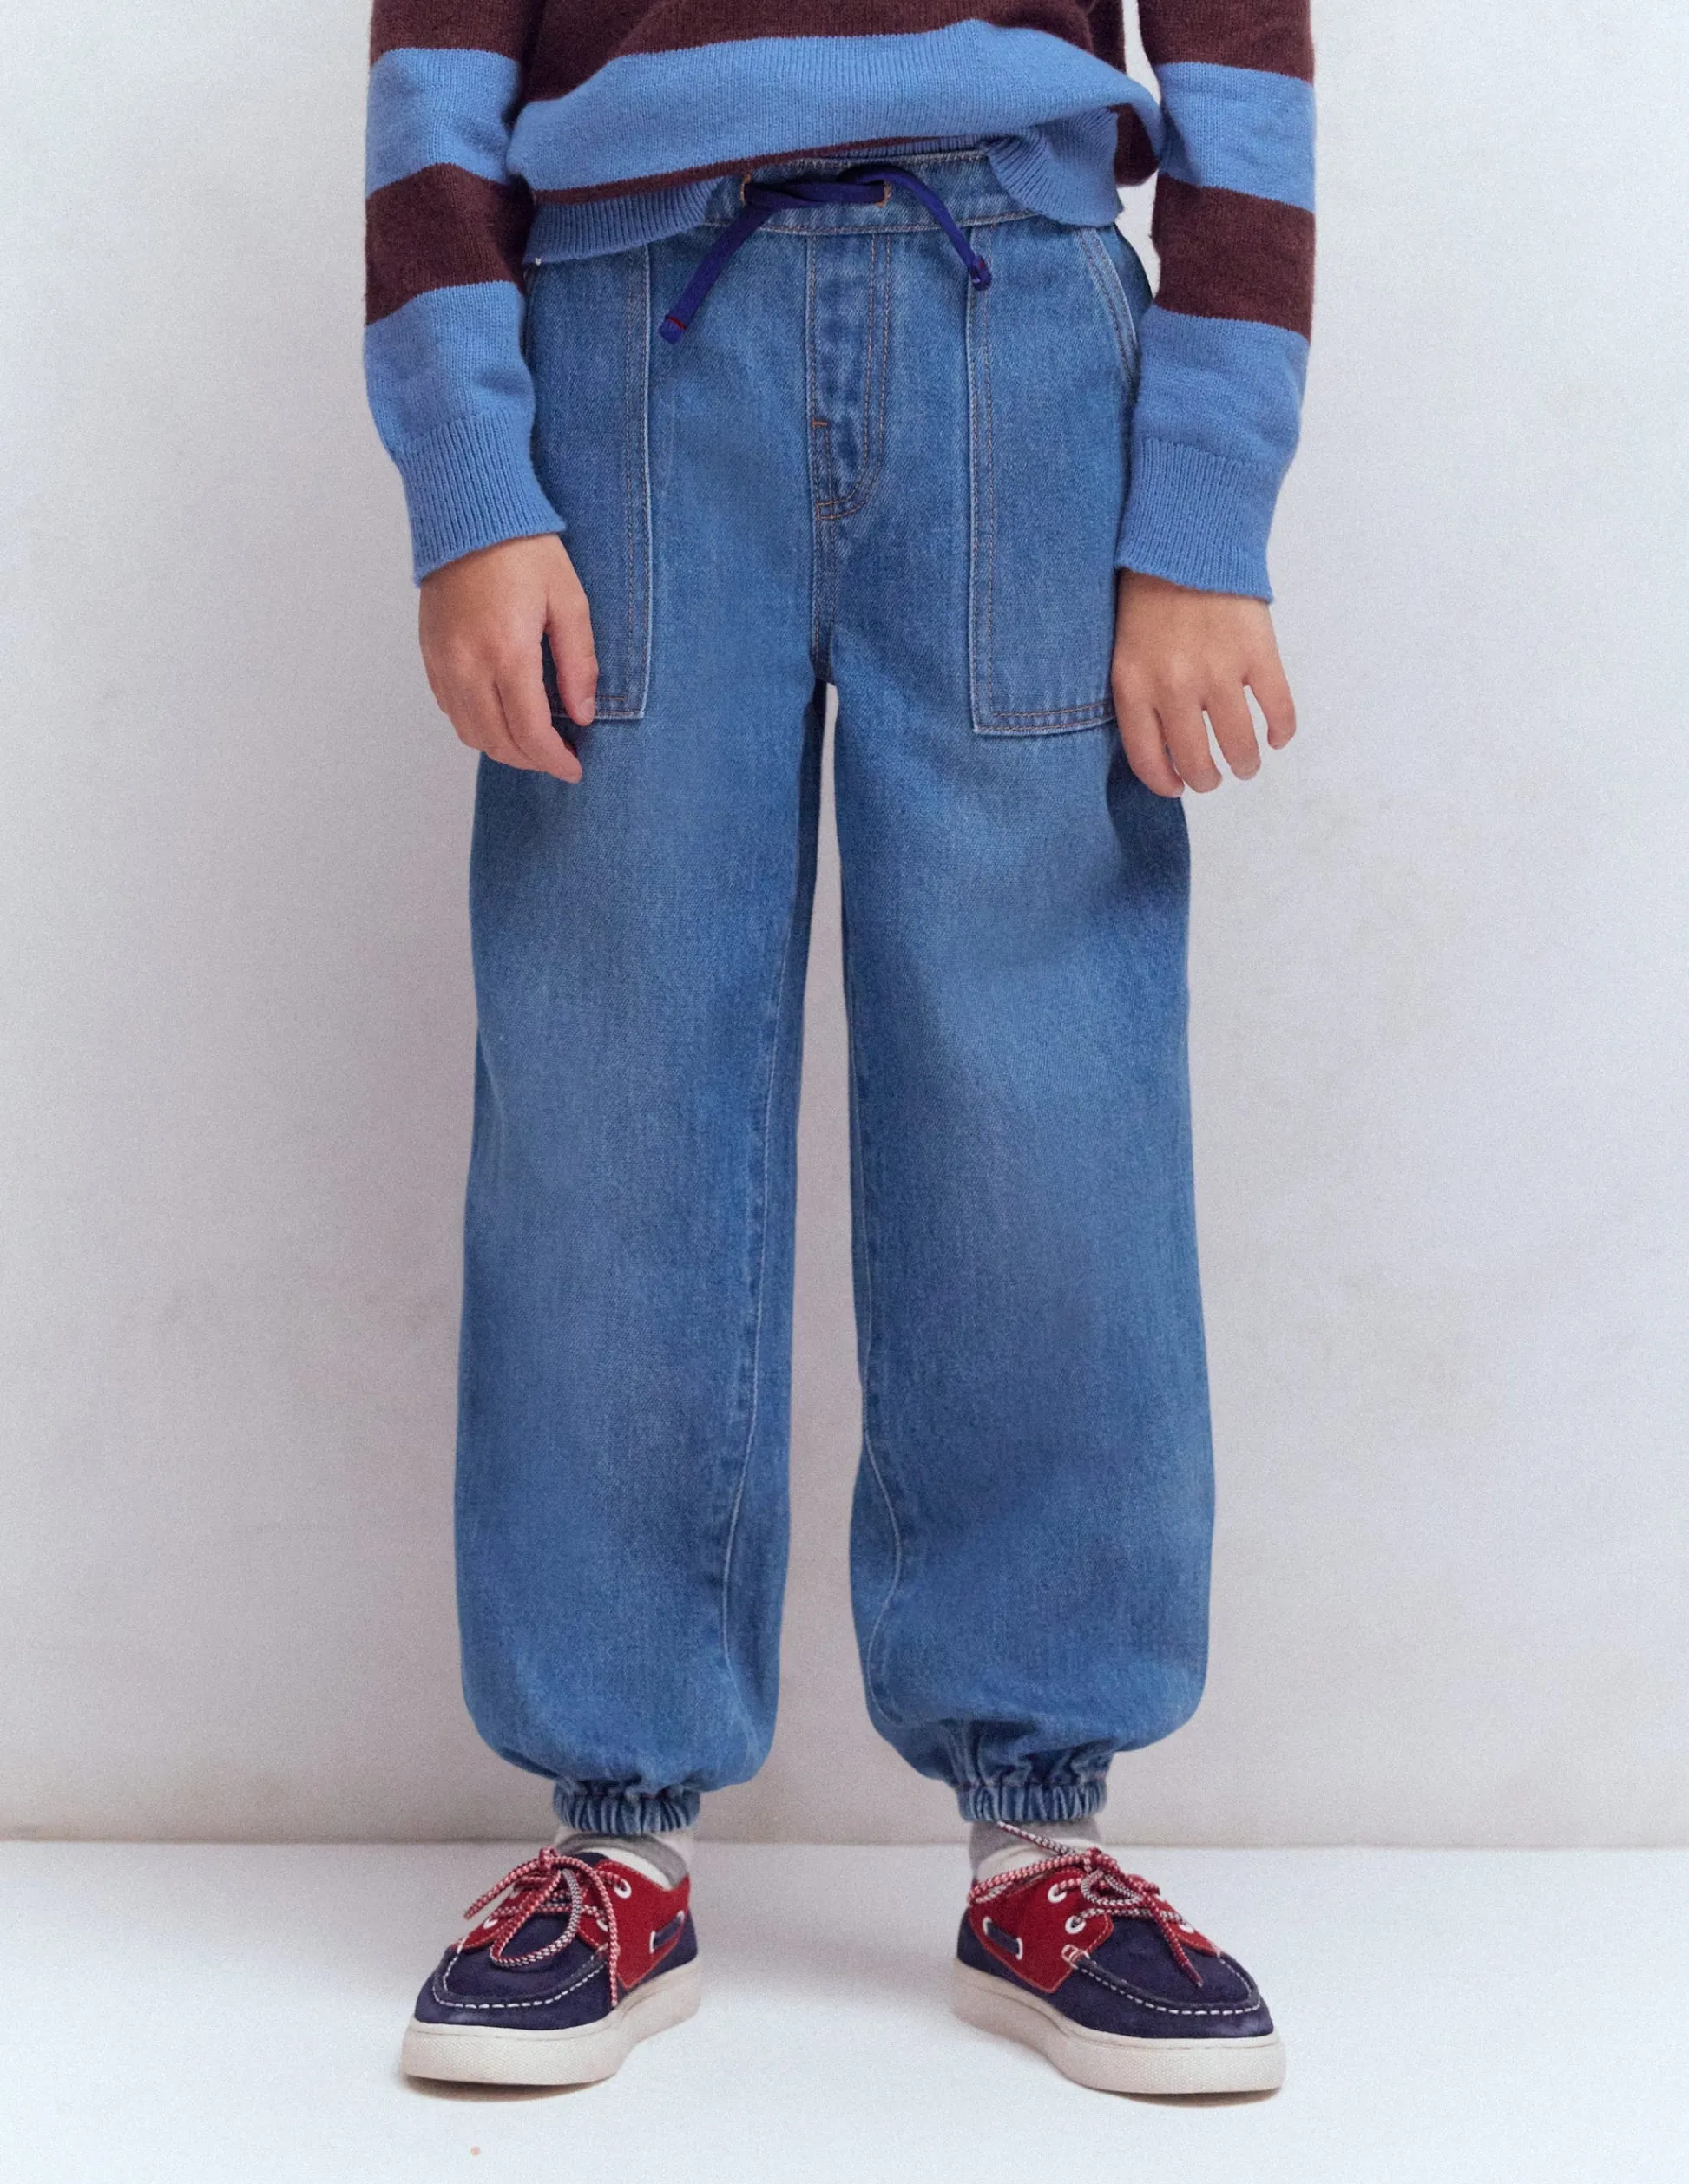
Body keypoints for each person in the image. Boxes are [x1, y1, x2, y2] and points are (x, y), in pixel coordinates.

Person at [365, 0, 1312, 2100]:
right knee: (606, 1079)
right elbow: (431, 69)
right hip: (620, 343)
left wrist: (1201, 507)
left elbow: (1246, 50)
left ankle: (1044, 1828)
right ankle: (611, 1831)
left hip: (1022, 336)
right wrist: (467, 481)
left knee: (1045, 1091)